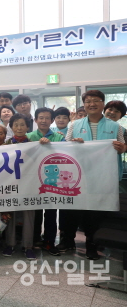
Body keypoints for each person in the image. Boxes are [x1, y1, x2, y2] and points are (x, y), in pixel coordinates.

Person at [59, 90, 125, 260]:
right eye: (88, 101)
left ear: (103, 103)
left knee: (95, 213)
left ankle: (92, 245)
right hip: (79, 176)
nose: (92, 104)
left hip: (103, 177)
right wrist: (73, 144)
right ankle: (68, 241)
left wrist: (122, 149)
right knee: (73, 210)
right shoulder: (74, 125)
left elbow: (122, 146)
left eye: (96, 101)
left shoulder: (115, 126)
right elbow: (66, 146)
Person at [27, 107, 65, 256]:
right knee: (34, 212)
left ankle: (49, 241)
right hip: (32, 180)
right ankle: (35, 238)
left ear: (52, 120)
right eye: (40, 117)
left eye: (47, 118)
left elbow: (68, 154)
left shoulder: (59, 137)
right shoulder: (28, 136)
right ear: (36, 120)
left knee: (51, 212)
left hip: (52, 181)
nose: (43, 120)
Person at [1, 113, 36, 260]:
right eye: (16, 125)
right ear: (11, 127)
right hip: (11, 185)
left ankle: (28, 246)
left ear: (28, 127)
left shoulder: (35, 145)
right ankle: (10, 244)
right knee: (10, 214)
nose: (19, 127)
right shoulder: (4, 146)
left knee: (29, 216)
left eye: (22, 124)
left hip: (29, 186)